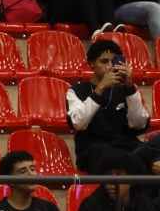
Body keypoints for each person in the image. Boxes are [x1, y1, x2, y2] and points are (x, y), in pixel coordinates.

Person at [67, 39, 159, 174]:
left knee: (153, 146)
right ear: (92, 63)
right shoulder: (76, 90)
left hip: (126, 147)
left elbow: (139, 125)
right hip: (93, 150)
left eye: (114, 62)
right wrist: (101, 88)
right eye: (104, 61)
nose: (110, 66)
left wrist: (130, 88)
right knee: (109, 154)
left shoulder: (126, 89)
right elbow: (78, 123)